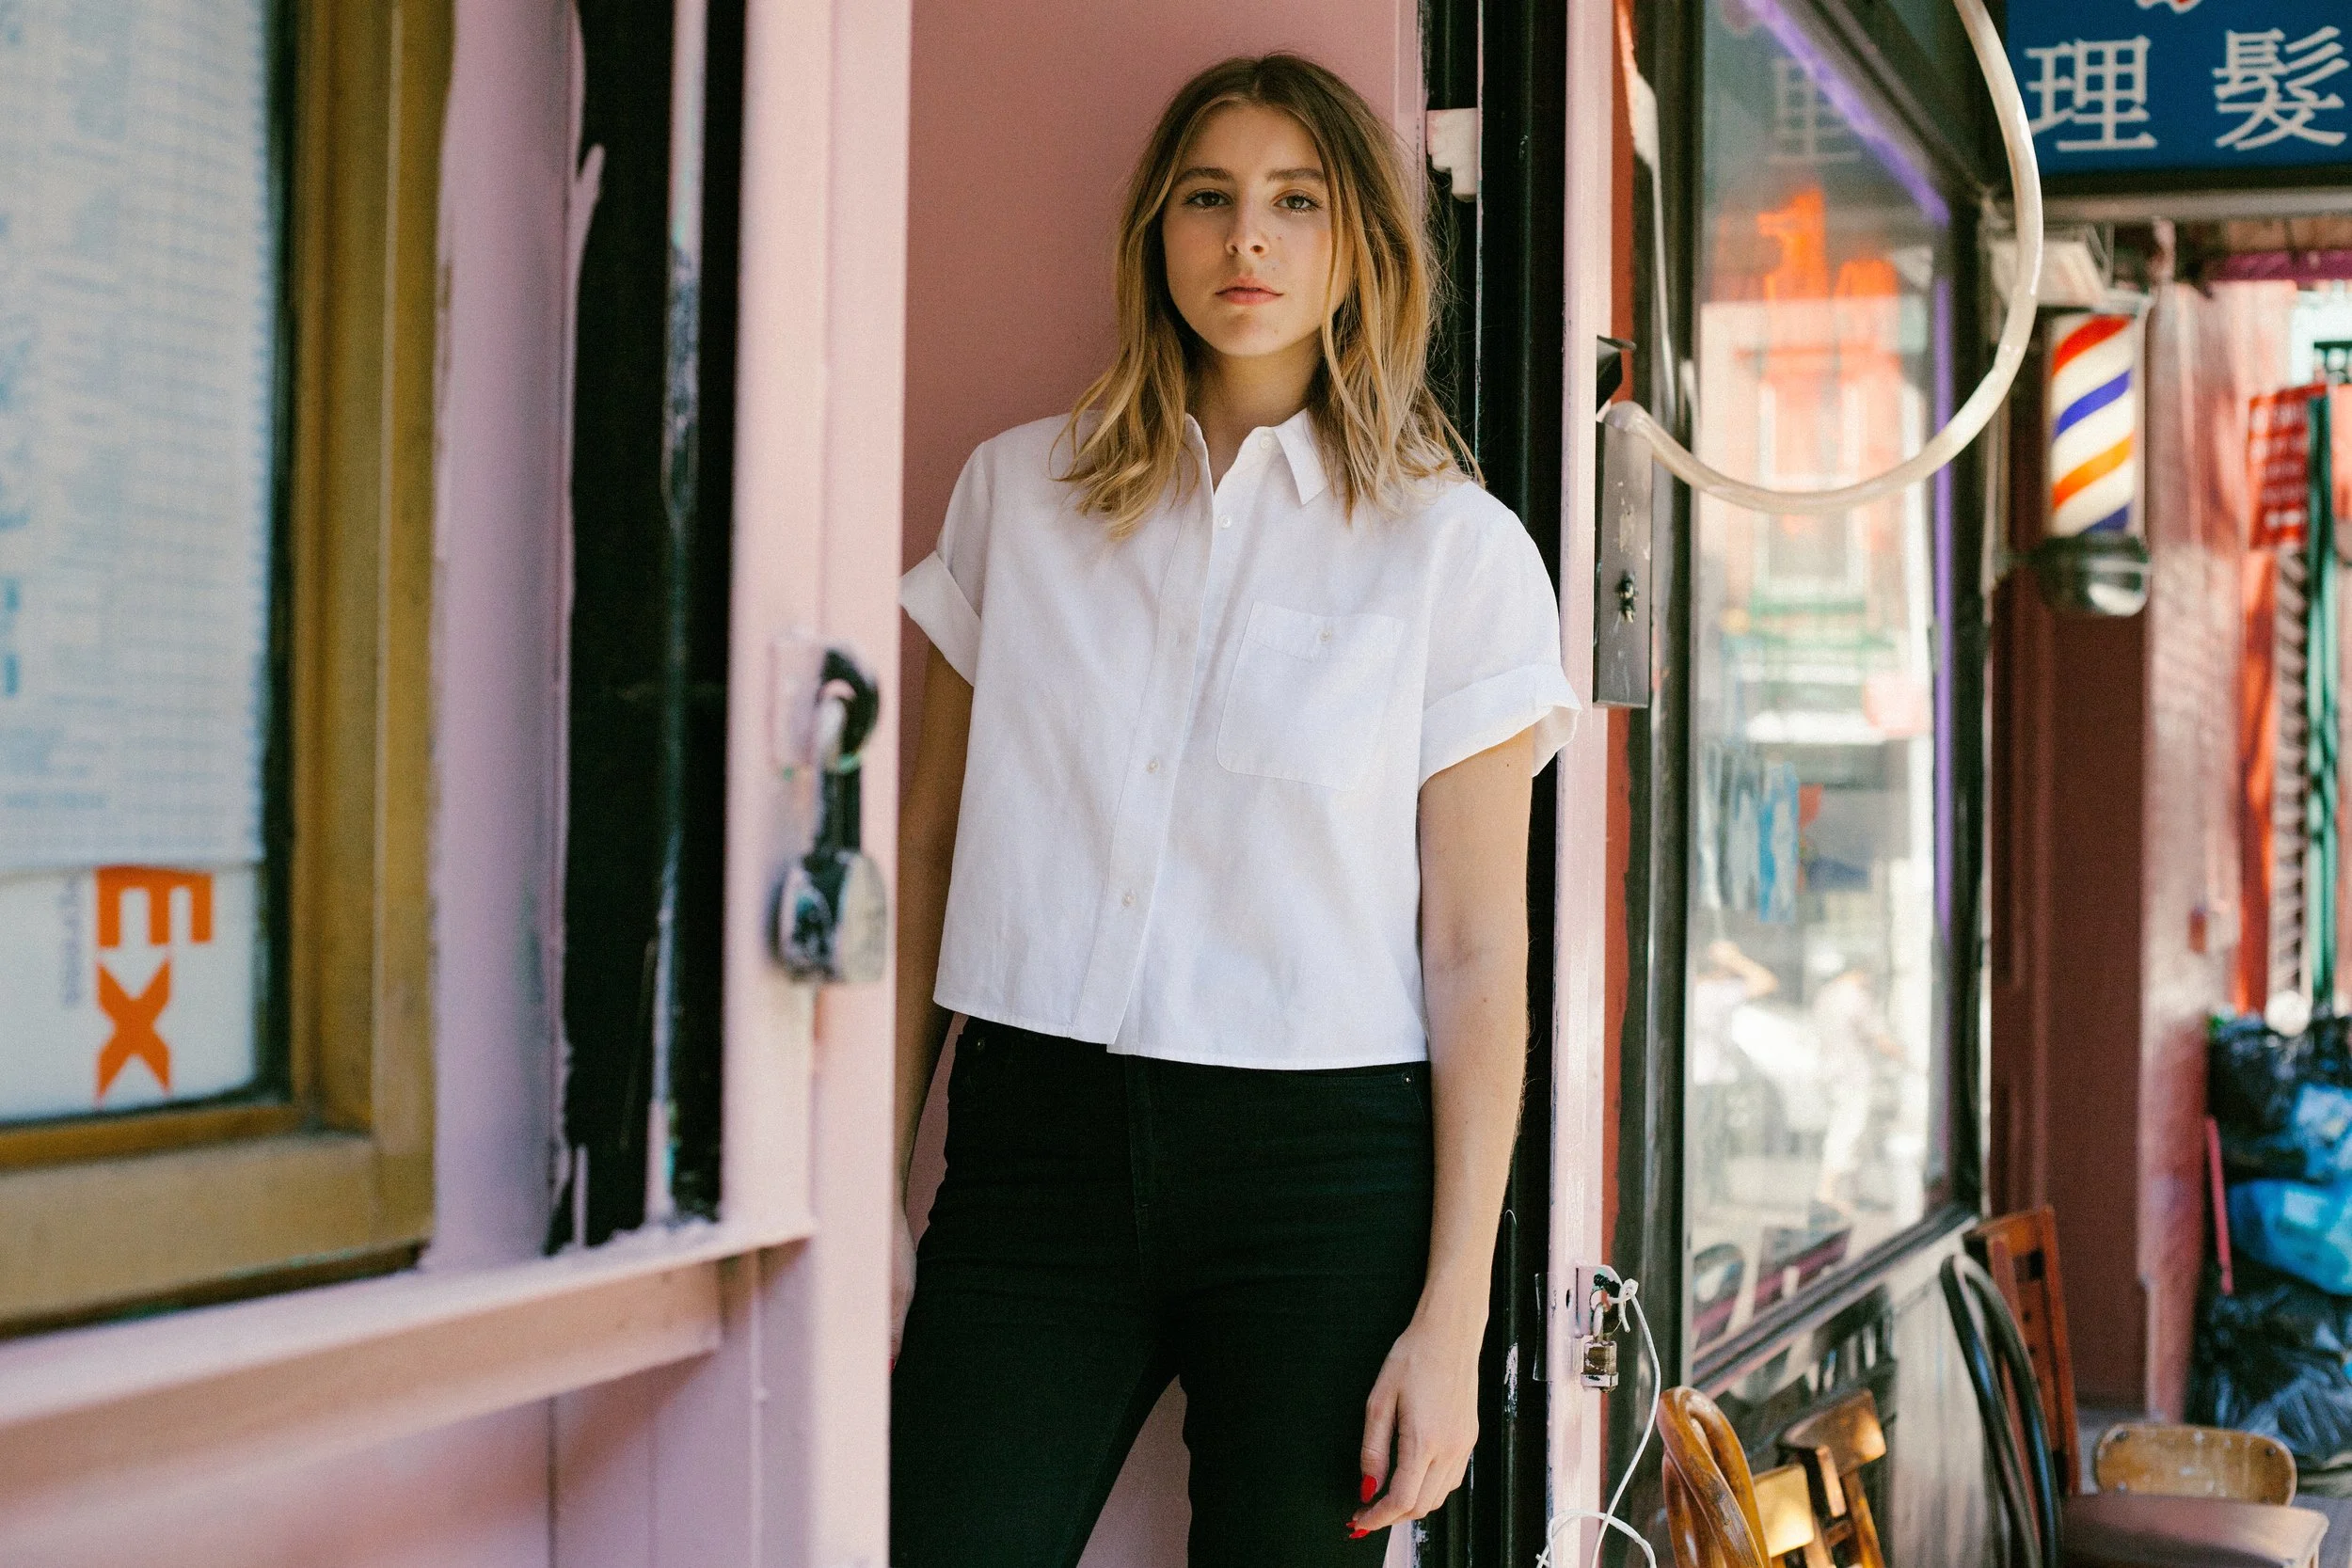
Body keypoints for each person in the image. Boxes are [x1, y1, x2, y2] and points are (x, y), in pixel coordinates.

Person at [891, 54, 1579, 1565]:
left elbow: (1477, 948)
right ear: (1158, 231)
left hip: (1323, 1178)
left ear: (1360, 246)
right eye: (1208, 198)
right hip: (1037, 1149)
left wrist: (1455, 1310)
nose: (1246, 238)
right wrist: (868, 1180)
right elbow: (926, 849)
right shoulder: (1017, 498)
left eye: (1295, 201)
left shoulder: (1453, 553)